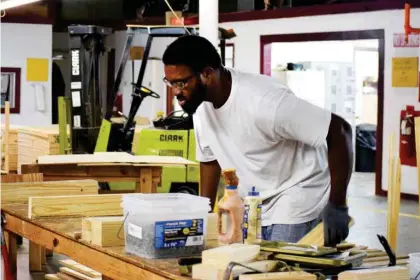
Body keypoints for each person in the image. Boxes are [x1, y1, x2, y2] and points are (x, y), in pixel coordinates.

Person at [162, 35, 353, 246]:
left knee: (282, 273)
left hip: (296, 192)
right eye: (170, 83)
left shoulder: (264, 101)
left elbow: (339, 129)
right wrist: (204, 215)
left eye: (180, 82)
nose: (175, 91)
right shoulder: (200, 106)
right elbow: (209, 159)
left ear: (207, 73)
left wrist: (337, 205)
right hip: (253, 199)